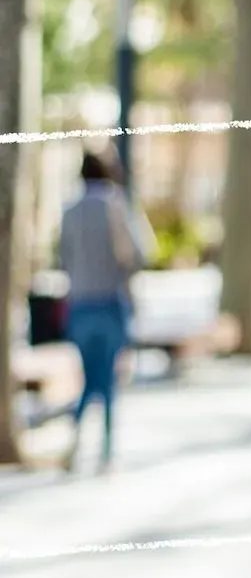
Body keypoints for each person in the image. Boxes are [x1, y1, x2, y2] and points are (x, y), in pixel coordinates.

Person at [56, 150, 152, 472]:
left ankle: (76, 436)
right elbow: (140, 253)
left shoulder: (68, 209)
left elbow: (61, 256)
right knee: (108, 378)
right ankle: (106, 452)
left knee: (89, 377)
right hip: (110, 302)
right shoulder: (116, 204)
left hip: (80, 304)